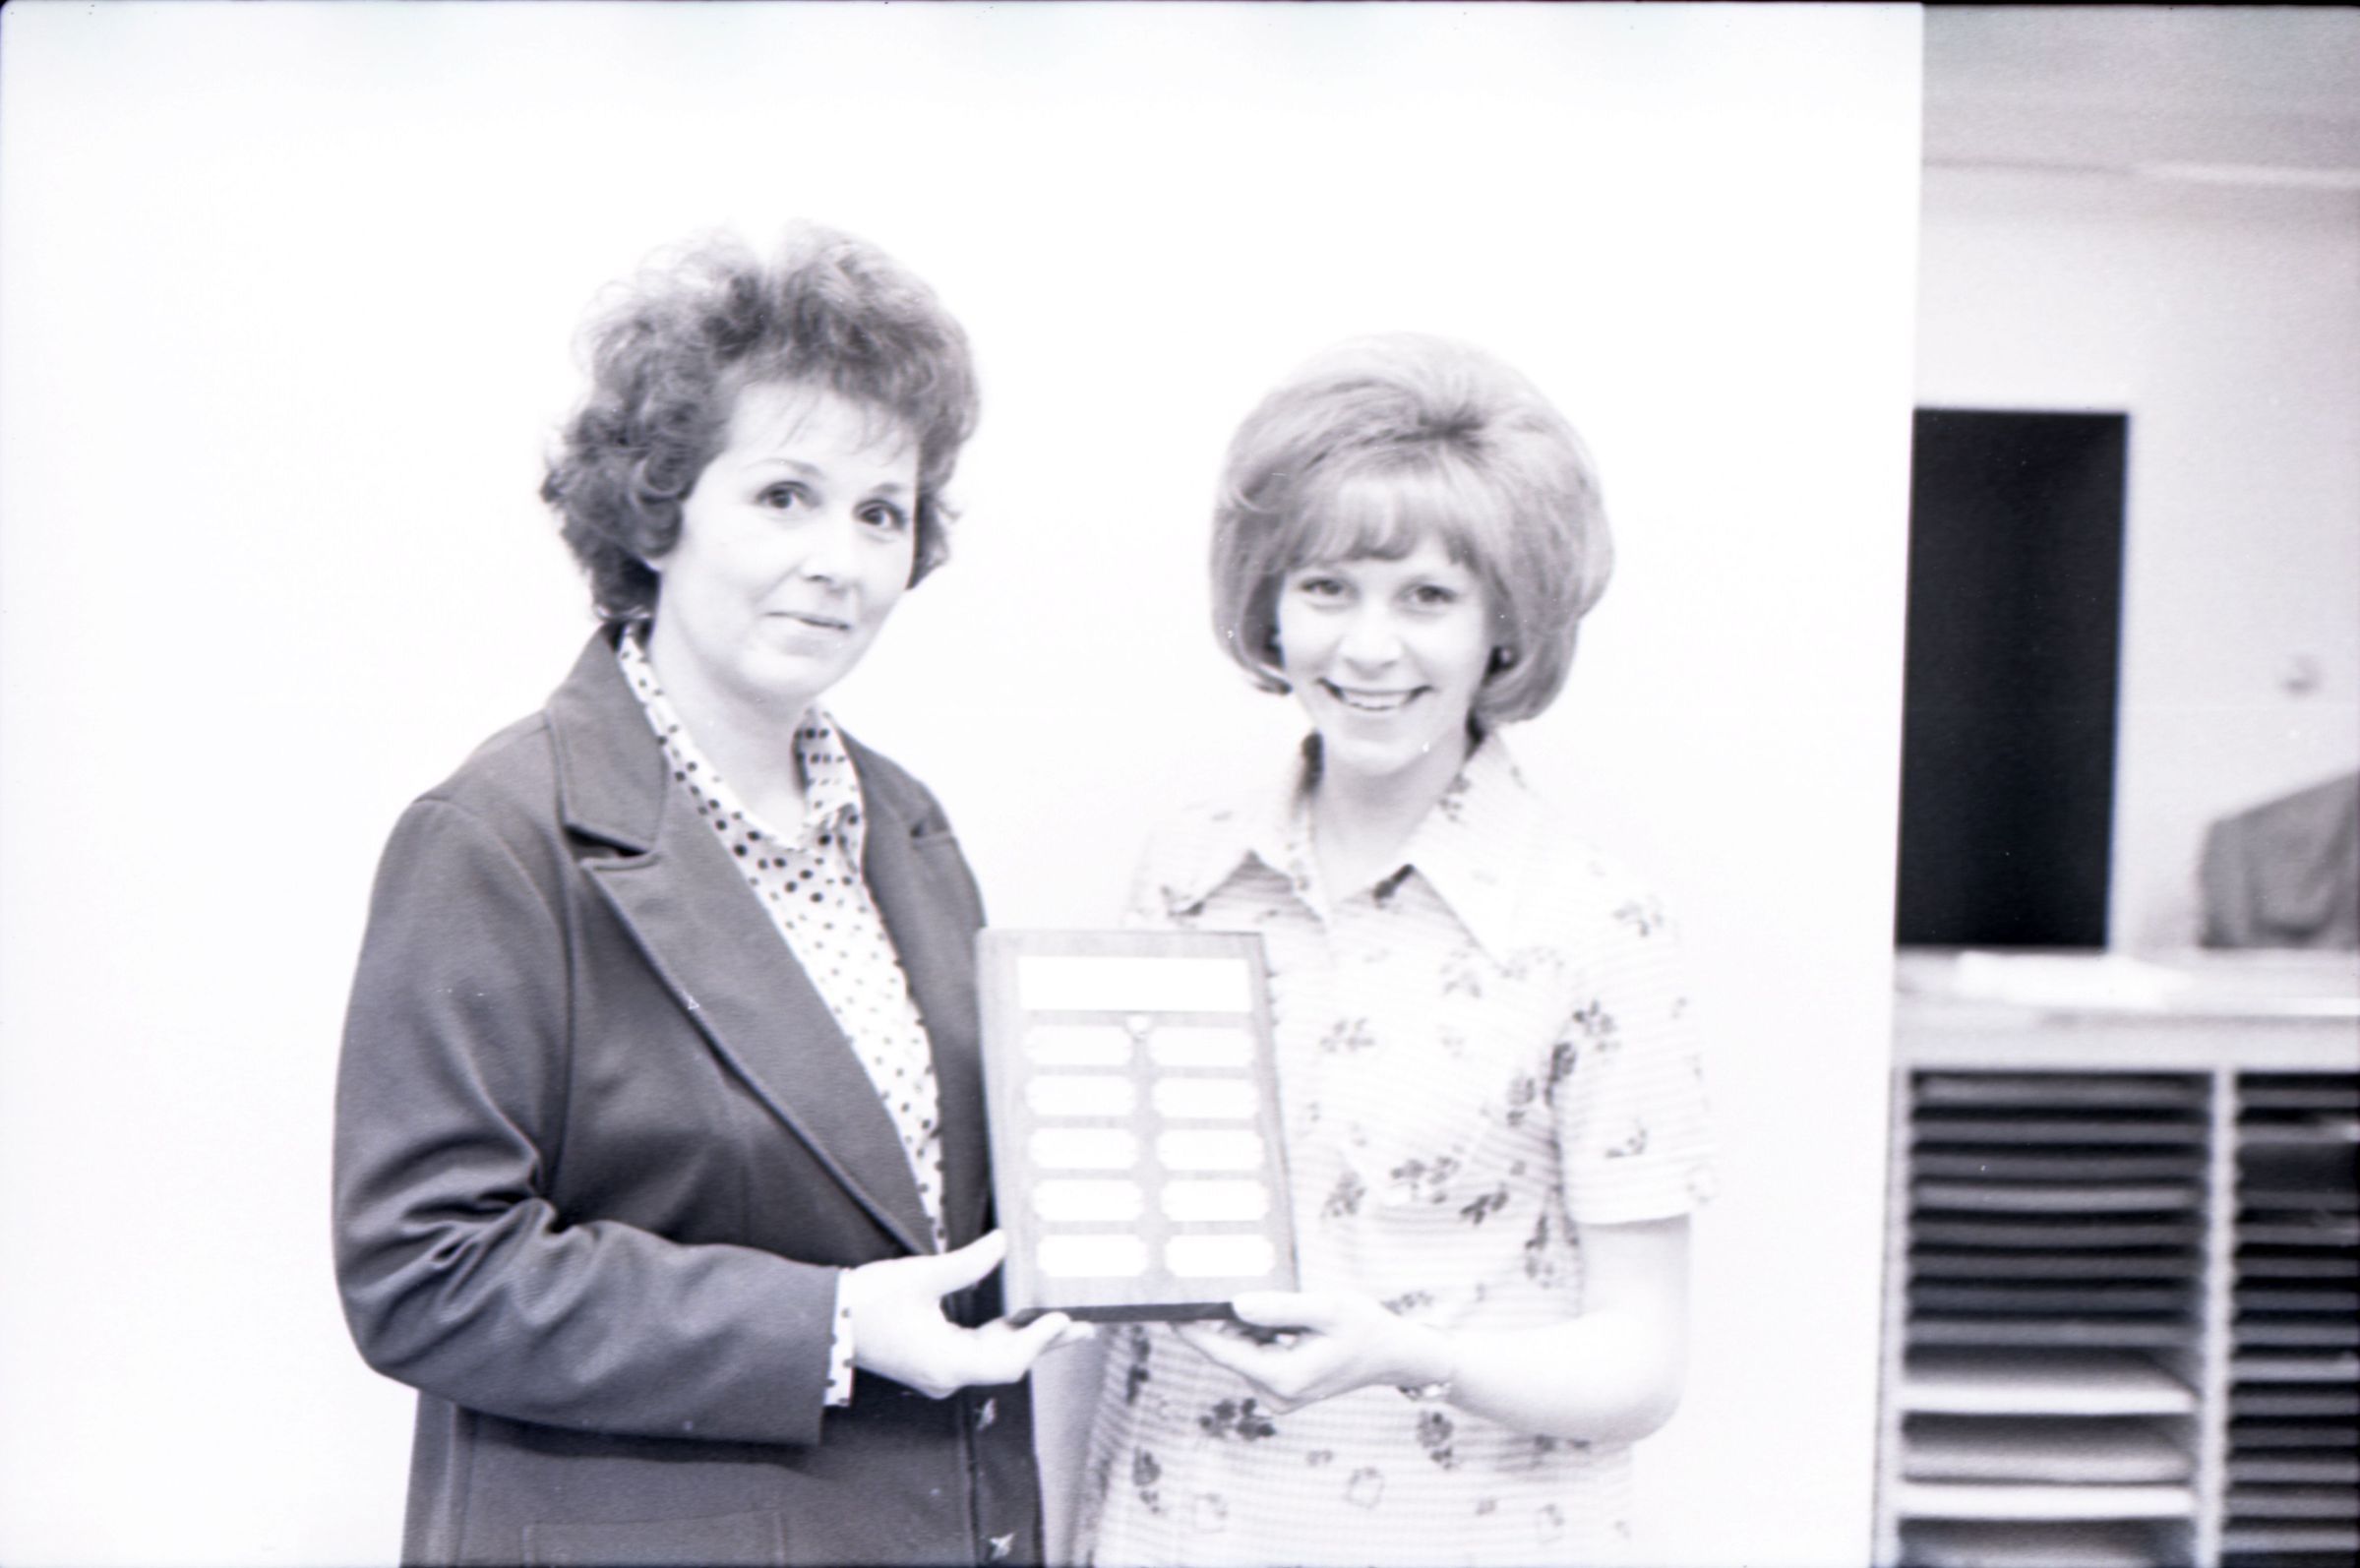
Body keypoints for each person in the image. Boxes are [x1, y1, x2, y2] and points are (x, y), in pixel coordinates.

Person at [333, 224, 1085, 1567]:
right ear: (659, 503)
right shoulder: (497, 836)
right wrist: (830, 1326)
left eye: (881, 511)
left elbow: (922, 1205)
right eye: (784, 495)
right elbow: (423, 1273)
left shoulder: (908, 823)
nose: (840, 559)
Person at [1078, 334, 1716, 1566]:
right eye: (1326, 588)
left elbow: (1643, 1360)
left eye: (1427, 596)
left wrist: (1415, 1357)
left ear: (1503, 623)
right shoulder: (1183, 875)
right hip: (1174, 1531)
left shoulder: (1595, 926)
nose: (1368, 648)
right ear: (1268, 606)